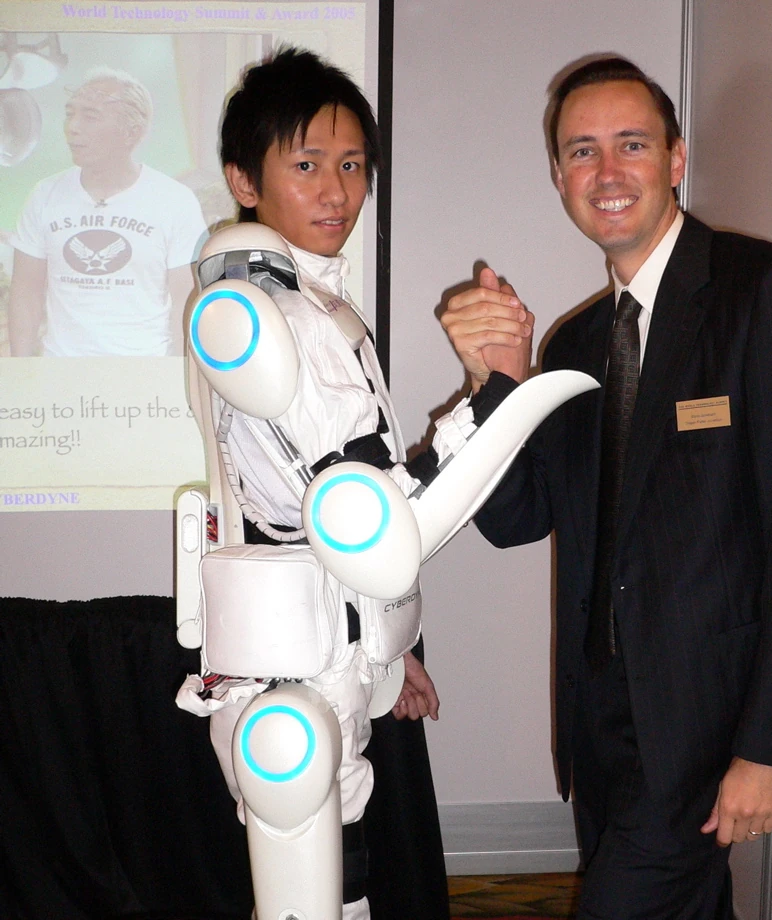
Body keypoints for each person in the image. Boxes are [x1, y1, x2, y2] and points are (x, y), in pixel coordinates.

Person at [441, 56, 772, 919]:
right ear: (558, 176)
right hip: (600, 723)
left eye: (630, 144)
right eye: (582, 151)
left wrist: (771, 743)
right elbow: (517, 518)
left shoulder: (770, 293)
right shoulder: (574, 344)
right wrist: (496, 381)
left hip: (707, 726)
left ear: (675, 158)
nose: (606, 172)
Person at [180, 46, 449, 920]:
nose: (337, 191)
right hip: (291, 654)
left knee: (337, 846)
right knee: (306, 848)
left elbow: (347, 507)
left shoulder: (311, 306)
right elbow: (362, 504)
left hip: (324, 638)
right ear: (243, 180)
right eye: (306, 165)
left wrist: (388, 642)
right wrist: (489, 403)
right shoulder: (269, 315)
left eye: (352, 165)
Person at [7, 66, 206, 356]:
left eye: (90, 116)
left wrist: (180, 374)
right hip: (61, 370)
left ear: (132, 132)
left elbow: (186, 300)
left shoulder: (175, 201)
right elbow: (26, 291)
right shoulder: (44, 195)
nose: (73, 127)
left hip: (144, 370)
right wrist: (22, 370)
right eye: (70, 114)